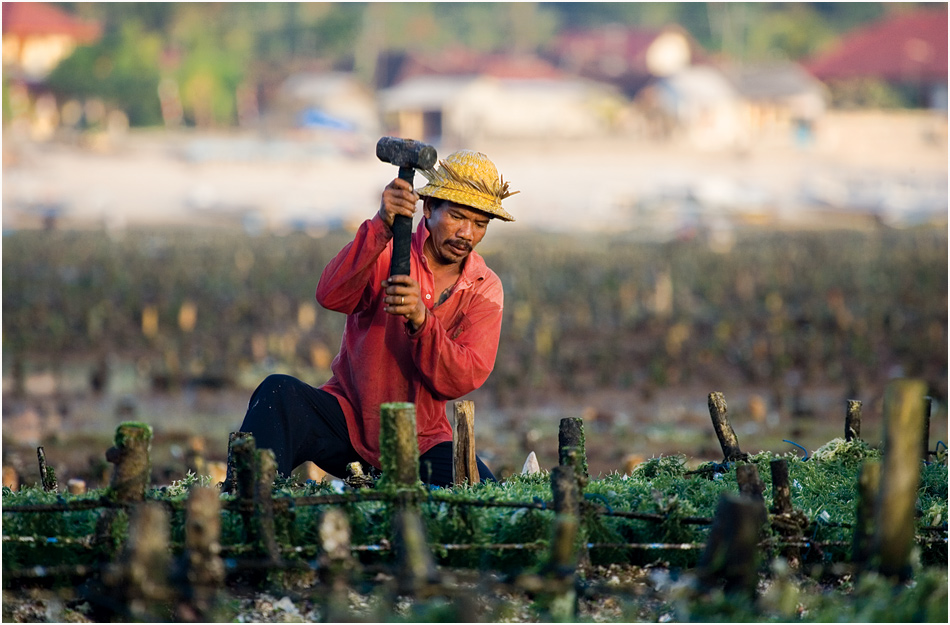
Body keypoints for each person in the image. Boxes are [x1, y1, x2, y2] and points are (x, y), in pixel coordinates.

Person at [237, 149, 517, 487]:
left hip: (422, 441)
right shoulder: (386, 252)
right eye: (457, 217)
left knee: (483, 492)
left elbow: (461, 377)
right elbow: (330, 294)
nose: (467, 234)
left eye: (480, 224)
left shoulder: (485, 289)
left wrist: (421, 321)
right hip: (348, 423)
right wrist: (381, 223)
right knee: (277, 393)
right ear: (428, 209)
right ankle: (250, 503)